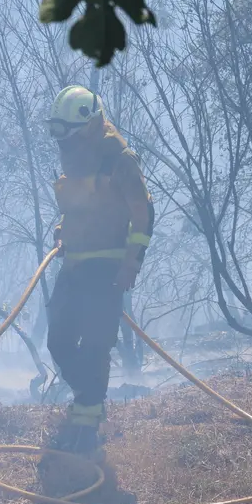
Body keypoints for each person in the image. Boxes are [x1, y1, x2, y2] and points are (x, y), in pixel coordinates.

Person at [43, 85, 153, 456]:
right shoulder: (77, 161)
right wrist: (62, 230)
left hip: (106, 268)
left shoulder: (120, 161)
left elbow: (142, 214)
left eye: (71, 134)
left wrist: (131, 263)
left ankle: (87, 426)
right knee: (57, 340)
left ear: (89, 125)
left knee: (95, 346)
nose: (65, 144)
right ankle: (86, 402)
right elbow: (78, 208)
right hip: (74, 264)